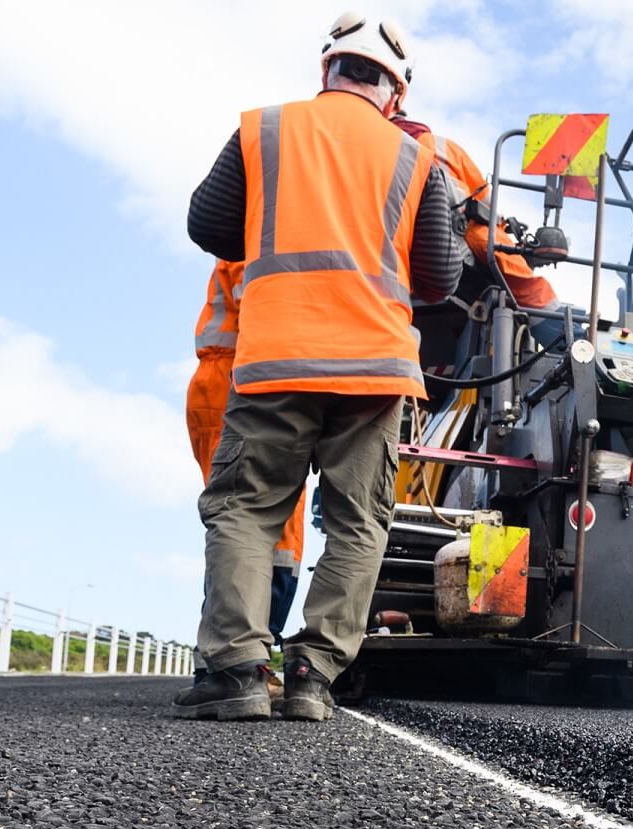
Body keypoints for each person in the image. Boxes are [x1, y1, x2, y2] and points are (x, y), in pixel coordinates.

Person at [174, 12, 461, 721]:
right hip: (375, 369)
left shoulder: (264, 129)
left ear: (326, 71)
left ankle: (238, 667)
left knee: (246, 507)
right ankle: (313, 672)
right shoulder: (418, 158)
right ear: (395, 91)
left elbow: (208, 224)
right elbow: (441, 276)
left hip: (277, 357)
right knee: (358, 523)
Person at [186, 260, 307, 696]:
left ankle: (250, 658)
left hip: (269, 377)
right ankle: (226, 664)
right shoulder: (264, 225)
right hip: (242, 375)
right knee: (243, 516)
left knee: (280, 534)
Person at [389, 112, 571, 347]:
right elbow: (484, 203)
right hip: (459, 242)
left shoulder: (371, 151)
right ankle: (570, 345)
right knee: (528, 288)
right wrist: (504, 226)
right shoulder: (440, 146)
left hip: (396, 254)